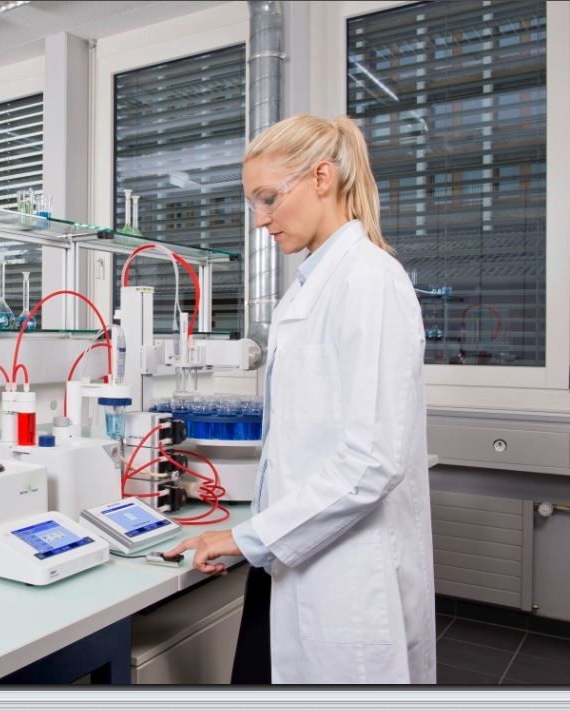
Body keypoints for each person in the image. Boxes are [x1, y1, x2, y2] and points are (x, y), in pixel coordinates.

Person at [163, 114, 436, 684]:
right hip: (290, 554)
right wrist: (252, 535)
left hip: (341, 576)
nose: (261, 219)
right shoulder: (310, 287)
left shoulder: (368, 281)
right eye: (253, 204)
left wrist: (247, 537)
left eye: (268, 199)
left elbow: (370, 461)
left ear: (322, 178)